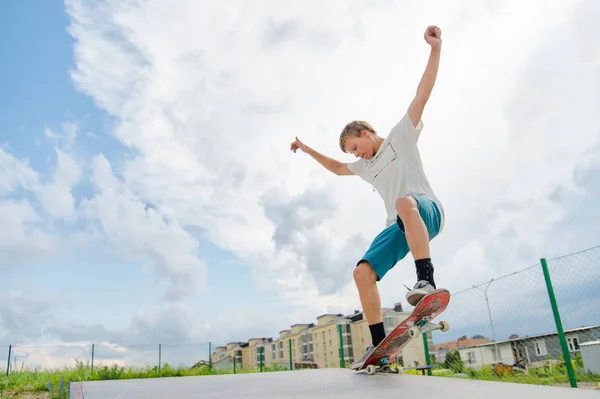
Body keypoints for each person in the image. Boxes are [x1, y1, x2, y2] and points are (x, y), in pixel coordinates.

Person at [290, 25, 445, 370]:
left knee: (405, 203)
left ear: (366, 133)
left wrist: (435, 49)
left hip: (427, 211)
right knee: (362, 273)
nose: (356, 155)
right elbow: (335, 168)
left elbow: (422, 94)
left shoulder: (398, 138)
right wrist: (305, 147)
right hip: (399, 225)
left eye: (356, 147)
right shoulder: (365, 168)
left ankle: (426, 278)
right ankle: (381, 351)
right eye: (352, 153)